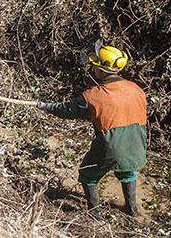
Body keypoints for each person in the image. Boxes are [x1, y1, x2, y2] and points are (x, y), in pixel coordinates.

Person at [37, 43, 147, 219]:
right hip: (137, 143)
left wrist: (46, 106)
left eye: (96, 65)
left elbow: (68, 110)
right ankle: (132, 210)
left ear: (103, 71)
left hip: (110, 144)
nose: (93, 68)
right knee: (128, 171)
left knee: (88, 175)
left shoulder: (94, 95)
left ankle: (94, 215)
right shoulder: (136, 89)